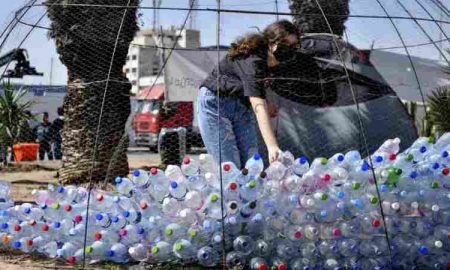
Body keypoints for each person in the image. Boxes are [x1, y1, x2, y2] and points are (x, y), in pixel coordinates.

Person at [198, 20, 300, 168]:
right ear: (270, 43)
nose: (289, 49)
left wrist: (268, 103)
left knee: (252, 163)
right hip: (216, 102)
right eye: (284, 43)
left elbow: (257, 90)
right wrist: (272, 146)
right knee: (229, 165)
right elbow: (258, 105)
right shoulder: (253, 60)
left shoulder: (276, 63)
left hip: (241, 105)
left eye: (293, 45)